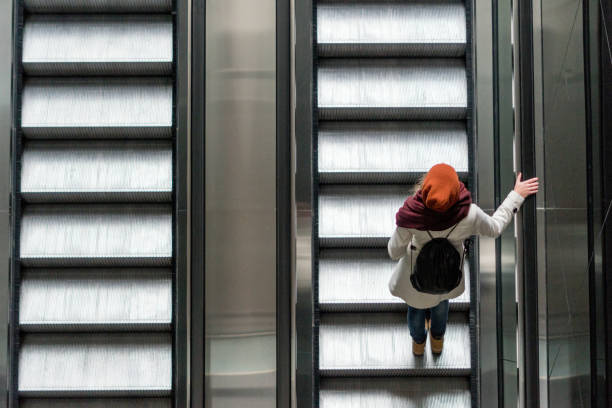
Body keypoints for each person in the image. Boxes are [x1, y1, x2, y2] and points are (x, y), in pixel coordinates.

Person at [387, 163, 539, 356]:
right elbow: (495, 228)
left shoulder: (411, 216)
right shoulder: (469, 214)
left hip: (415, 280)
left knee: (415, 312)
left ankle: (418, 345)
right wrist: (516, 195)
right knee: (441, 306)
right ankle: (437, 342)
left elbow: (394, 252)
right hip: (448, 278)